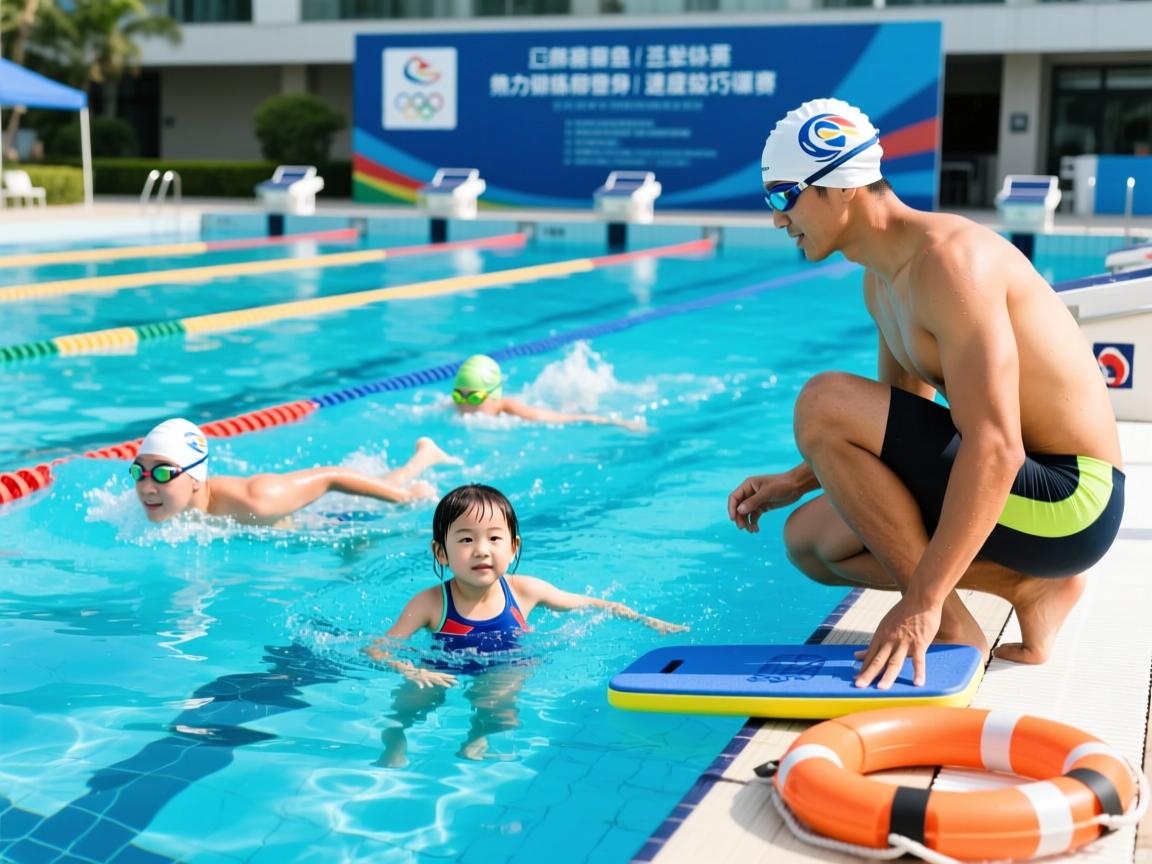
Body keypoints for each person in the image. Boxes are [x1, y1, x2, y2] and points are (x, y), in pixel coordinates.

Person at [726, 98, 1124, 691]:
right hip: (1026, 490)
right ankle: (1026, 588)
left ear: (840, 187)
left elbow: (995, 447)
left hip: (1071, 502)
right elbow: (886, 433)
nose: (778, 219)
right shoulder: (881, 281)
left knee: (821, 398)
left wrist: (922, 600)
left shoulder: (952, 265)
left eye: (785, 196)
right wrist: (797, 479)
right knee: (811, 542)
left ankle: (948, 627)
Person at [364, 483, 686, 765]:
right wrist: (412, 671)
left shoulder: (524, 591)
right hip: (439, 667)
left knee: (502, 711)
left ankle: (478, 736)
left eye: (494, 538)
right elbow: (377, 648)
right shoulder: (430, 603)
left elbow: (588, 603)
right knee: (409, 703)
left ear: (513, 546)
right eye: (465, 540)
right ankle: (395, 739)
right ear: (441, 552)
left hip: (504, 664)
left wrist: (645, 620)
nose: (481, 550)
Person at [130, 417, 459, 526]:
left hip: (317, 519)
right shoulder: (154, 504)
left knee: (368, 502)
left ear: (196, 476)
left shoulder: (256, 500)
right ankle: (422, 457)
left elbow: (331, 477)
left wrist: (403, 498)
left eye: (162, 474)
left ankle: (419, 463)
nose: (146, 487)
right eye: (139, 472)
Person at [450, 354, 646, 431]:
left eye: (475, 397)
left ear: (494, 397)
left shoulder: (511, 408)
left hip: (557, 408)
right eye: (459, 396)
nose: (465, 405)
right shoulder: (459, 406)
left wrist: (616, 422)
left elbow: (562, 418)